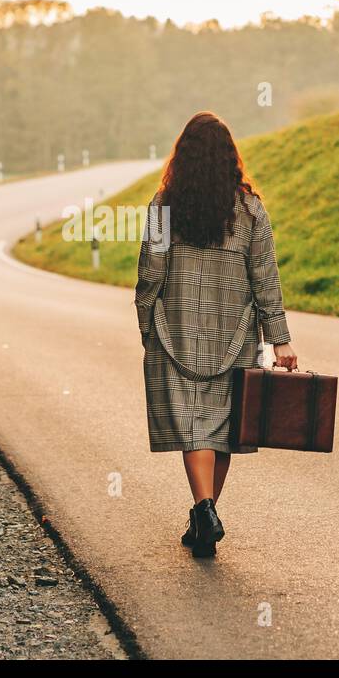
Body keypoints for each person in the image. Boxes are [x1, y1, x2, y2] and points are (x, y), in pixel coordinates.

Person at [135, 111, 297, 558]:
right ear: (230, 157)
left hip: (177, 331)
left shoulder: (162, 207)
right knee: (223, 427)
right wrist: (279, 338)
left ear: (182, 158)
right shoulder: (250, 210)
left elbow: (151, 273)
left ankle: (203, 509)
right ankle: (205, 511)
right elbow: (265, 278)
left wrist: (148, 325)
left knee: (193, 426)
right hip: (235, 332)